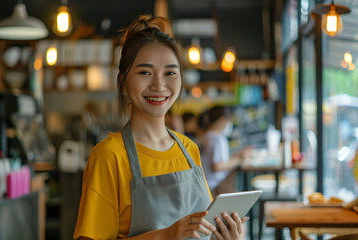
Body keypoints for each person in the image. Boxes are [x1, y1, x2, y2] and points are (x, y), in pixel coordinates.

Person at [74, 15, 248, 240]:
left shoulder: (189, 149)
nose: (159, 85)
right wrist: (165, 235)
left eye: (170, 73)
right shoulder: (109, 156)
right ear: (124, 82)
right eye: (145, 72)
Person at [201, 105, 251, 196]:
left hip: (206, 184)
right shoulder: (217, 139)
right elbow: (217, 166)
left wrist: (237, 155)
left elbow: (219, 159)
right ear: (222, 120)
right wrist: (239, 160)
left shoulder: (207, 136)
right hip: (215, 186)